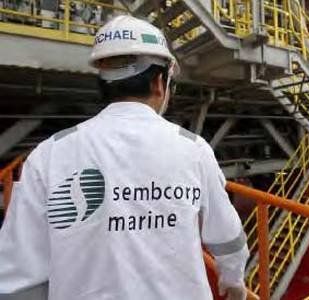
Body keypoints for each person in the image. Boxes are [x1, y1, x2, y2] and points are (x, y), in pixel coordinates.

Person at [0, 15, 249, 300]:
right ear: (159, 82)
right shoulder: (194, 150)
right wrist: (233, 279)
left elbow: (17, 276)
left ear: (103, 82)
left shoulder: (49, 154)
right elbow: (228, 239)